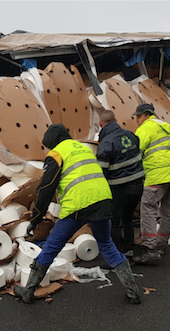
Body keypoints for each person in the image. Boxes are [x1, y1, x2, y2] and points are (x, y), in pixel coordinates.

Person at [14, 123, 141, 305]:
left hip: (78, 205)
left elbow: (46, 188)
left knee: (52, 246)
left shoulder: (56, 154)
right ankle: (133, 291)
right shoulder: (83, 149)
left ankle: (28, 291)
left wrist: (35, 218)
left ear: (52, 142)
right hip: (103, 201)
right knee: (106, 244)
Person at [131, 103, 170, 264]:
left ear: (146, 115)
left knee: (148, 207)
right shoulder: (164, 128)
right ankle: (161, 245)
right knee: (168, 209)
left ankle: (149, 247)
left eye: (138, 117)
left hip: (157, 174)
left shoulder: (145, 128)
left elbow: (136, 152)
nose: (137, 120)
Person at [96, 110, 144, 257]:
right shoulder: (131, 135)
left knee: (114, 220)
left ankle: (115, 255)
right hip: (138, 185)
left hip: (119, 187)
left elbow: (102, 173)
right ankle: (128, 249)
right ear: (115, 120)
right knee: (128, 218)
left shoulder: (105, 144)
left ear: (100, 124)